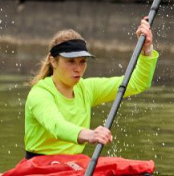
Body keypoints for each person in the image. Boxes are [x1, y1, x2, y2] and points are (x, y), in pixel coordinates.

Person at [24, 19, 157, 158]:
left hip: (72, 166)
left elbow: (137, 83)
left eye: (82, 62)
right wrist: (90, 134)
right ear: (53, 61)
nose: (78, 69)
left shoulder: (87, 89)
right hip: (38, 167)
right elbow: (57, 126)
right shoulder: (40, 94)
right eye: (71, 61)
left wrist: (146, 49)